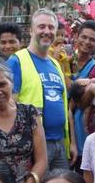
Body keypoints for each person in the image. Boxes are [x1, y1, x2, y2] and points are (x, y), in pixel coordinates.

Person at [8, 9, 73, 170]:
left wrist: (71, 143)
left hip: (59, 143)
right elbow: (9, 104)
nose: (47, 31)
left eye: (51, 28)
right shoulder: (17, 61)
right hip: (32, 144)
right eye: (41, 27)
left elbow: (66, 107)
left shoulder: (56, 64)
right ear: (31, 30)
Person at [70, 21, 95, 157]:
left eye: (92, 39)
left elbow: (81, 102)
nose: (87, 42)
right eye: (83, 37)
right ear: (76, 37)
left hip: (82, 123)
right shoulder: (65, 60)